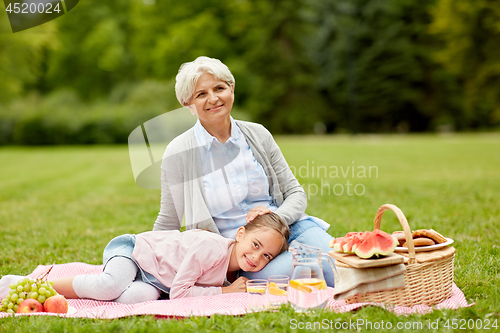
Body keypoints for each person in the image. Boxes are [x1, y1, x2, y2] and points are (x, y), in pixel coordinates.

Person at [154, 56, 335, 286]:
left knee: (335, 261)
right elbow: (169, 221)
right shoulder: (178, 152)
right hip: (246, 256)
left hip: (290, 227)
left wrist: (275, 217)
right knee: (306, 268)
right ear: (188, 105)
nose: (213, 98)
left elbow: (295, 193)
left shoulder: (258, 134)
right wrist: (145, 259)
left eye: (219, 88)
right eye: (201, 94)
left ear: (231, 89)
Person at [1, 213, 289, 304]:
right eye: (255, 244)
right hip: (137, 253)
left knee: (131, 300)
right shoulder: (211, 248)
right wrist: (223, 292)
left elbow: (172, 290)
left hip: (156, 279)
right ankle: (28, 285)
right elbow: (180, 293)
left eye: (267, 256)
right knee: (110, 286)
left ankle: (77, 289)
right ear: (240, 234)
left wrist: (227, 286)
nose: (256, 257)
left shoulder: (234, 272)